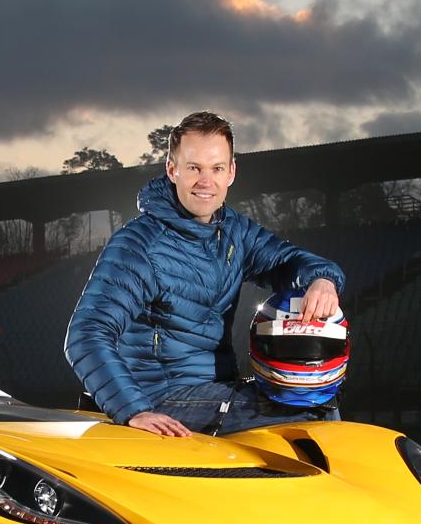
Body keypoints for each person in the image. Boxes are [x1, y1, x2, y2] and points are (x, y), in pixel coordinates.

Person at [64, 111, 345, 437]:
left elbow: (288, 261)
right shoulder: (139, 245)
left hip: (214, 390)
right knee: (314, 412)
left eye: (217, 168)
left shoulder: (234, 231)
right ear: (172, 170)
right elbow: (86, 333)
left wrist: (322, 280)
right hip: (159, 397)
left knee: (315, 397)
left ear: (231, 172)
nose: (205, 181)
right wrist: (133, 409)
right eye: (194, 168)